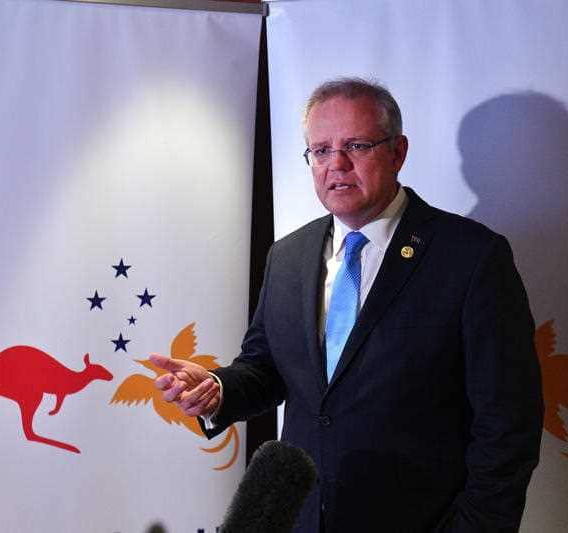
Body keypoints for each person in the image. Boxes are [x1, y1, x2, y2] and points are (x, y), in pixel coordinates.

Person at [151, 78, 544, 532]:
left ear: (398, 152)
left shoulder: (471, 258)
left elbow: (509, 423)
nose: (336, 164)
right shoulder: (289, 256)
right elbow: (266, 367)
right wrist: (219, 390)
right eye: (320, 150)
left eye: (356, 145)